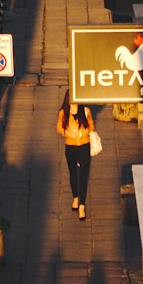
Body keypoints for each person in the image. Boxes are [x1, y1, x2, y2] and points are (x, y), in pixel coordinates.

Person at [56, 90, 95, 218]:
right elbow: (58, 128)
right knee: (73, 173)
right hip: (71, 146)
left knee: (83, 174)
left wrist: (84, 132)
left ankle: (82, 205)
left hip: (84, 144)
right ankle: (76, 197)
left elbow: (91, 126)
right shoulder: (63, 113)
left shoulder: (85, 111)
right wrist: (67, 133)